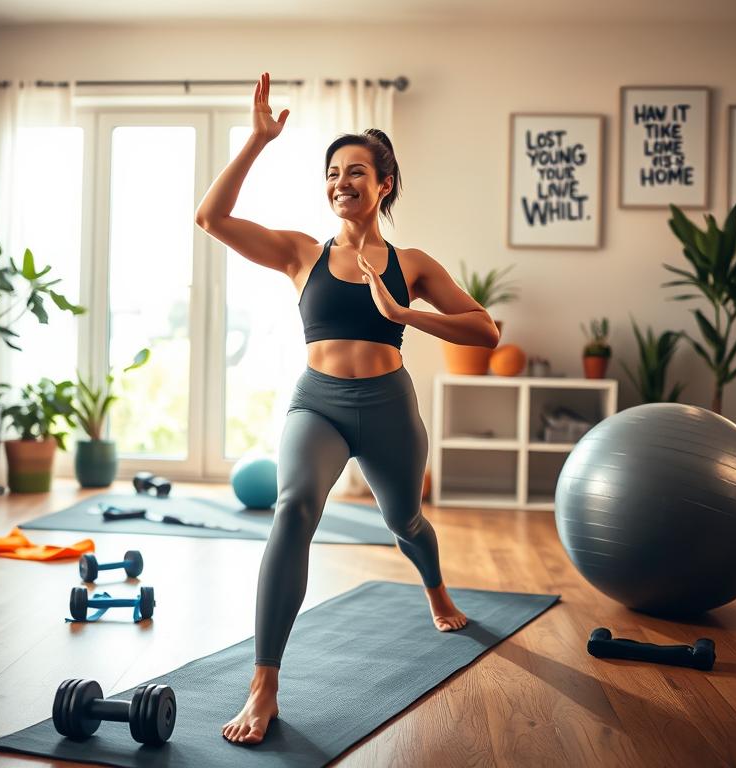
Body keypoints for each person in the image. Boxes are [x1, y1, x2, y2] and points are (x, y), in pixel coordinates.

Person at [194, 72, 499, 746]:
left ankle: (437, 591)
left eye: (355, 171)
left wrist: (403, 312)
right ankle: (264, 681)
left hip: (388, 405)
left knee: (404, 518)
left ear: (383, 182)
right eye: (333, 172)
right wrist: (256, 140)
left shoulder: (410, 263)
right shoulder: (302, 254)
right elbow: (211, 219)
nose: (341, 182)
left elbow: (486, 331)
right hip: (319, 405)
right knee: (294, 507)